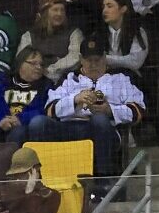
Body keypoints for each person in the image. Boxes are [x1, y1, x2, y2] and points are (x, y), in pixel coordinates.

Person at [44, 38, 146, 179]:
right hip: (70, 128)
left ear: (104, 58)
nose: (93, 65)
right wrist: (75, 100)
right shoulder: (68, 79)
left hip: (106, 129)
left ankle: (103, 183)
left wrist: (110, 110)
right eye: (88, 60)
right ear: (80, 59)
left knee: (99, 120)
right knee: (39, 123)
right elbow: (50, 109)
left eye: (97, 60)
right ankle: (46, 180)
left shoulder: (121, 78)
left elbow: (138, 111)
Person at [0, 50, 51, 146]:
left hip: (23, 126)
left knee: (18, 133)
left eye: (41, 65)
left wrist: (20, 119)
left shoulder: (46, 86)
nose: (38, 67)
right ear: (20, 63)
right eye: (33, 63)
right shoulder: (0, 80)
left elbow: (44, 110)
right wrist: (0, 120)